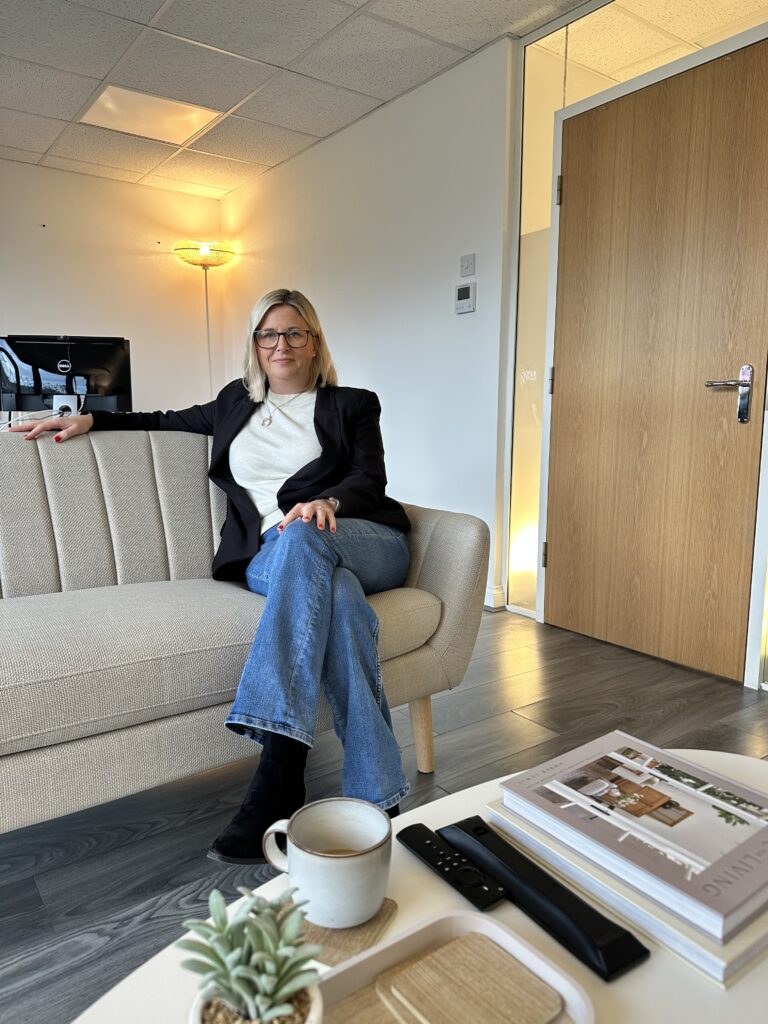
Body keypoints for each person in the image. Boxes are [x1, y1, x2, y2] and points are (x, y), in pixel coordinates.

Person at [11, 288, 412, 863]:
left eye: (296, 332)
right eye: (269, 334)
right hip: (272, 555)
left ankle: (280, 765)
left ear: (315, 341)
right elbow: (161, 418)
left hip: (358, 538)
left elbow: (369, 479)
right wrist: (88, 418)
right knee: (337, 596)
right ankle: (378, 795)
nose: (282, 344)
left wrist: (329, 500)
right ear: (254, 344)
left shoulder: (351, 403)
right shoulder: (234, 403)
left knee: (309, 541)